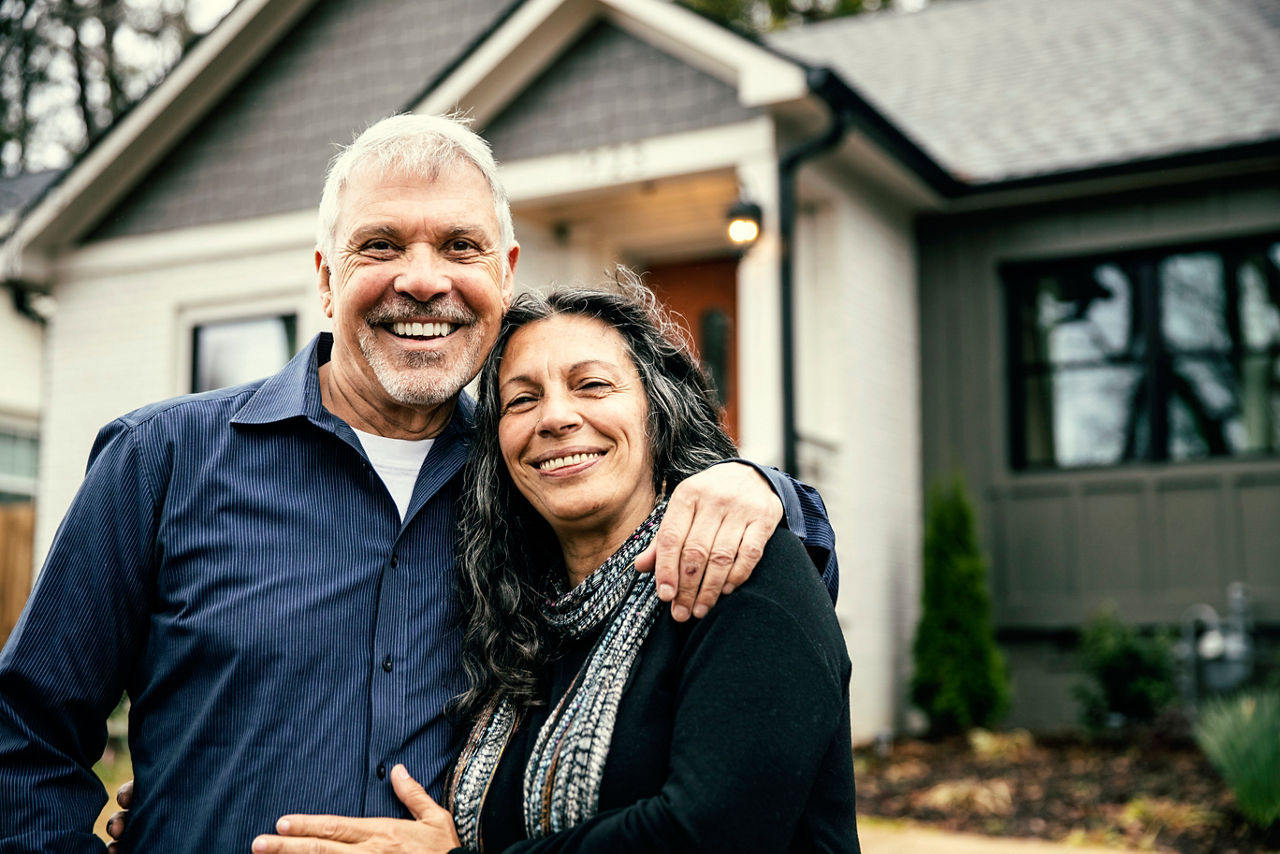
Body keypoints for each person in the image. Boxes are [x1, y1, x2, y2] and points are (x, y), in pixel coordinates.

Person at [0, 114, 837, 852]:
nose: (425, 279)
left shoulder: (530, 478)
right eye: (381, 245)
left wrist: (756, 484)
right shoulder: (163, 460)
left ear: (504, 274)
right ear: (326, 276)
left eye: (460, 246)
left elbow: (690, 553)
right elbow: (26, 730)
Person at [250, 280, 859, 853]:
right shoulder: (520, 625)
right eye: (523, 399)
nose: (555, 418)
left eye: (592, 385)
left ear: (657, 411)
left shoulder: (733, 567)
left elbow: (709, 832)